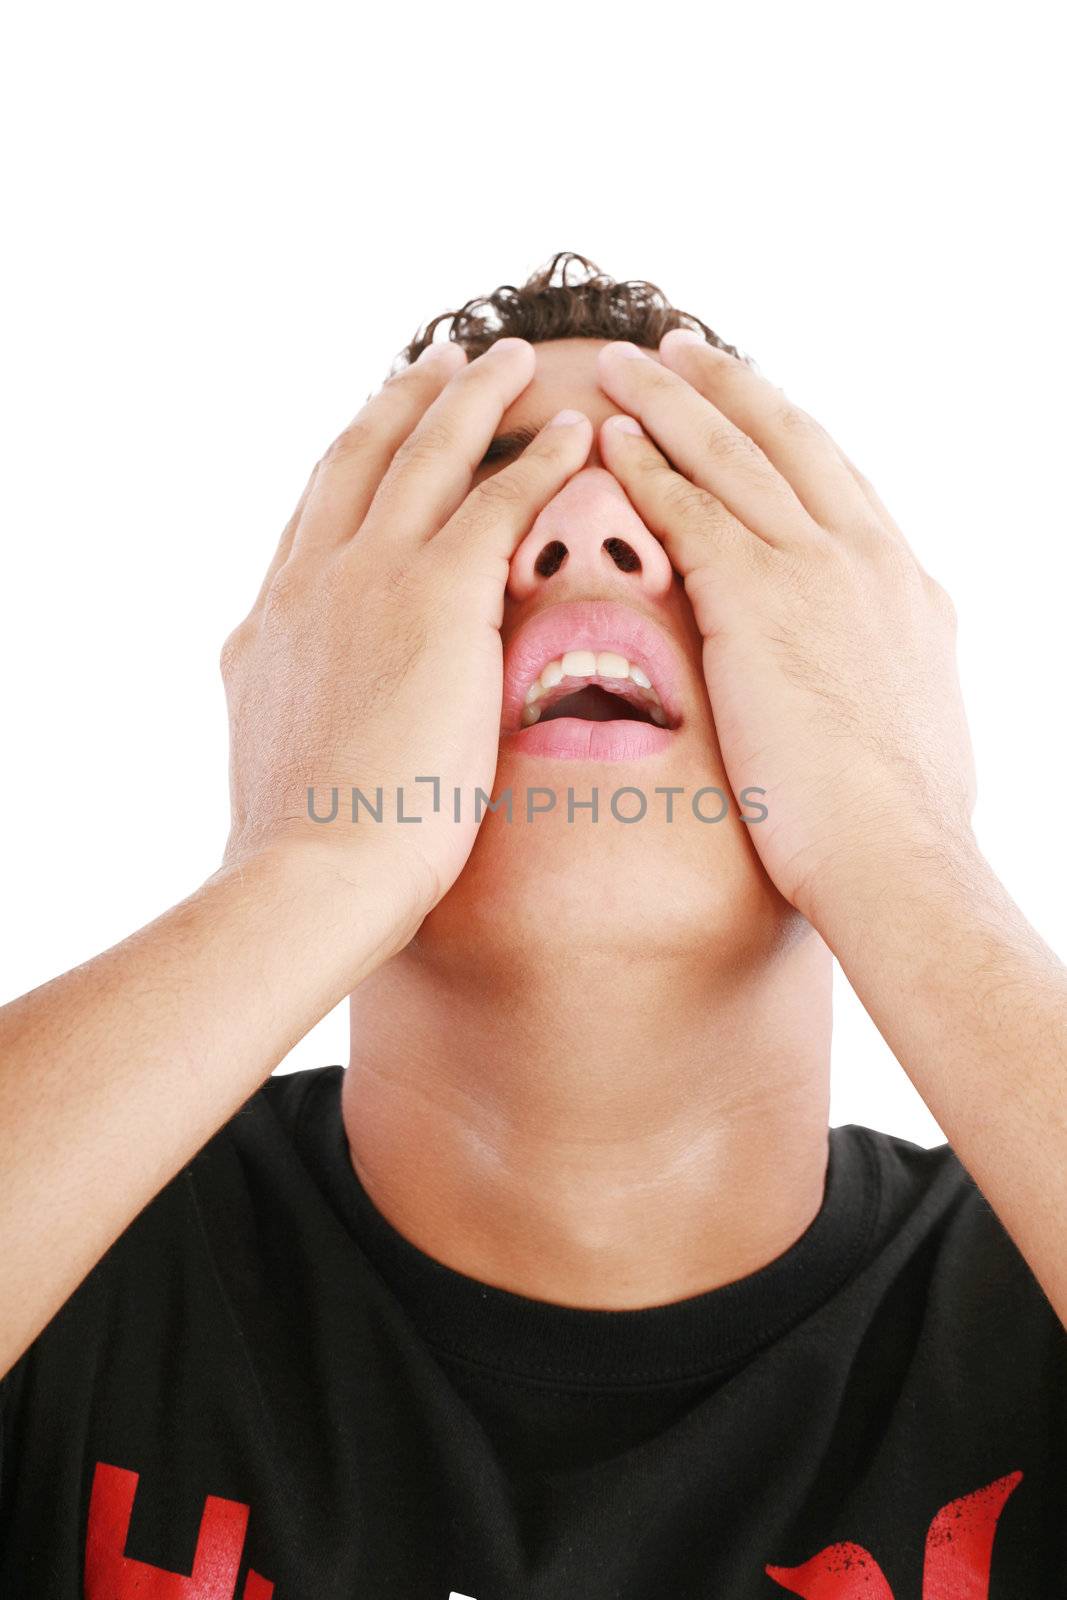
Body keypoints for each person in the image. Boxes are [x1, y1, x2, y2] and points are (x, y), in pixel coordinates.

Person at [0, 250, 1064, 1597]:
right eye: (485, 508)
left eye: (689, 515)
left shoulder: (1025, 1294)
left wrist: (906, 848)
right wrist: (315, 857)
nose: (584, 538)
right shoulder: (76, 1251)